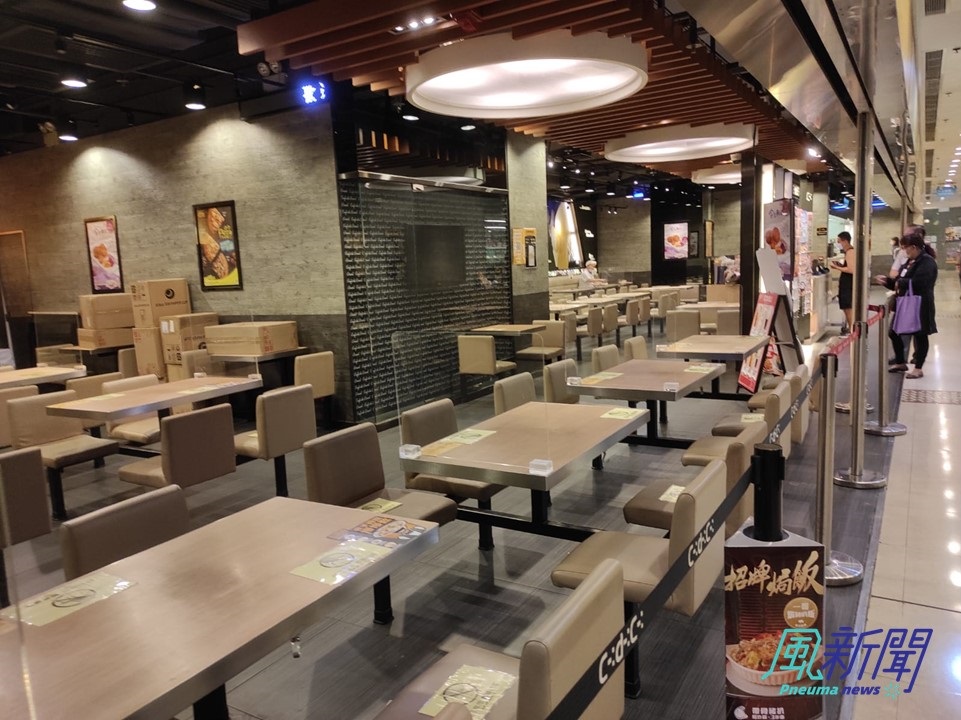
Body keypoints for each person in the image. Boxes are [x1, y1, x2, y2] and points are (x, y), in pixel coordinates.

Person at [875, 233, 938, 379]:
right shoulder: (910, 261)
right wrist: (887, 281)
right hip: (904, 303)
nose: (904, 251)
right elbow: (901, 281)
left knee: (920, 335)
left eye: (905, 247)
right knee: (893, 332)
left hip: (920, 304)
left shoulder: (927, 262)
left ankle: (918, 368)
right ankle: (900, 362)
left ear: (914, 247)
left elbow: (919, 283)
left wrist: (899, 282)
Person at [830, 231, 855, 334]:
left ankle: (852, 329)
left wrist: (836, 267)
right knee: (846, 307)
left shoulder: (850, 252)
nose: (838, 244)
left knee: (848, 308)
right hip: (846, 283)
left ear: (845, 241)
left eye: (839, 241)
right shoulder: (848, 252)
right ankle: (851, 328)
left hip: (848, 284)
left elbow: (851, 269)